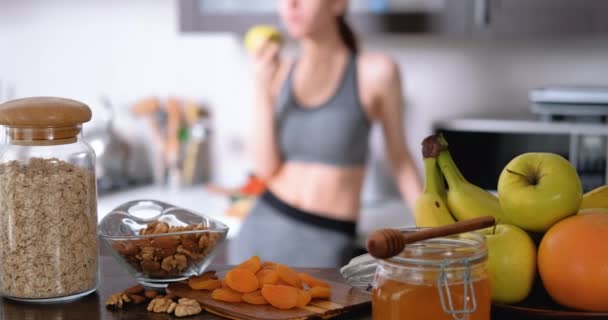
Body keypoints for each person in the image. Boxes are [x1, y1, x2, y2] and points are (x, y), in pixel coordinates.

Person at [229, 0, 422, 267]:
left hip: (327, 237)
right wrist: (261, 88)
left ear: (338, 4)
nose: (291, 5)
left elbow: (399, 159)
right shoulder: (279, 72)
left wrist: (434, 228)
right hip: (261, 225)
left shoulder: (376, 72)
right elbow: (265, 168)